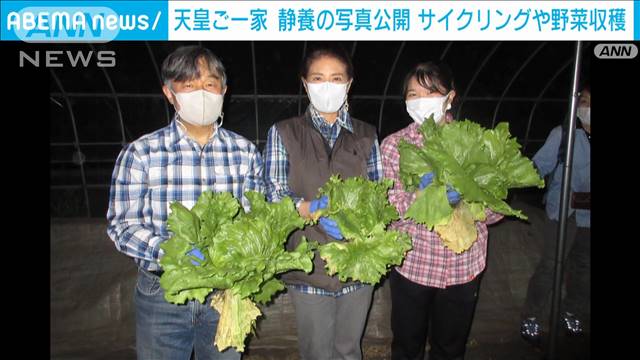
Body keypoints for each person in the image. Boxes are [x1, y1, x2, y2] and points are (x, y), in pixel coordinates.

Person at [106, 45, 264, 359]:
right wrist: (172, 251)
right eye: (189, 86)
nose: (201, 93)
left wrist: (243, 255)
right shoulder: (141, 152)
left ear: (223, 91)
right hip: (163, 290)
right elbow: (122, 226)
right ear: (169, 93)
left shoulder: (244, 151)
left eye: (209, 84)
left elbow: (255, 216)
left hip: (225, 291)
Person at [262, 43, 383, 360]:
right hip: (307, 263)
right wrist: (306, 208)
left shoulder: (367, 134)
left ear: (349, 84)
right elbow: (272, 193)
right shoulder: (284, 132)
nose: (327, 85)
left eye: (336, 78)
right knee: (316, 351)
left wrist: (359, 226)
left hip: (357, 262)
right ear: (304, 83)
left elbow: (381, 196)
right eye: (318, 78)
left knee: (348, 350)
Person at [380, 62, 504, 360]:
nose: (422, 100)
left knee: (450, 349)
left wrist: (470, 199)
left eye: (431, 91)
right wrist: (423, 199)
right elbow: (389, 206)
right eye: (413, 94)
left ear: (450, 96)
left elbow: (498, 210)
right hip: (414, 264)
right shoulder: (394, 145)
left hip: (463, 266)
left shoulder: (476, 142)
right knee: (406, 347)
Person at [520, 84, 591, 343]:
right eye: (584, 101)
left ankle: (572, 313)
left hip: (589, 217)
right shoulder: (563, 135)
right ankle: (532, 317)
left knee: (584, 268)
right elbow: (539, 166)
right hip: (563, 211)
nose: (588, 107)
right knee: (551, 266)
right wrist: (514, 175)